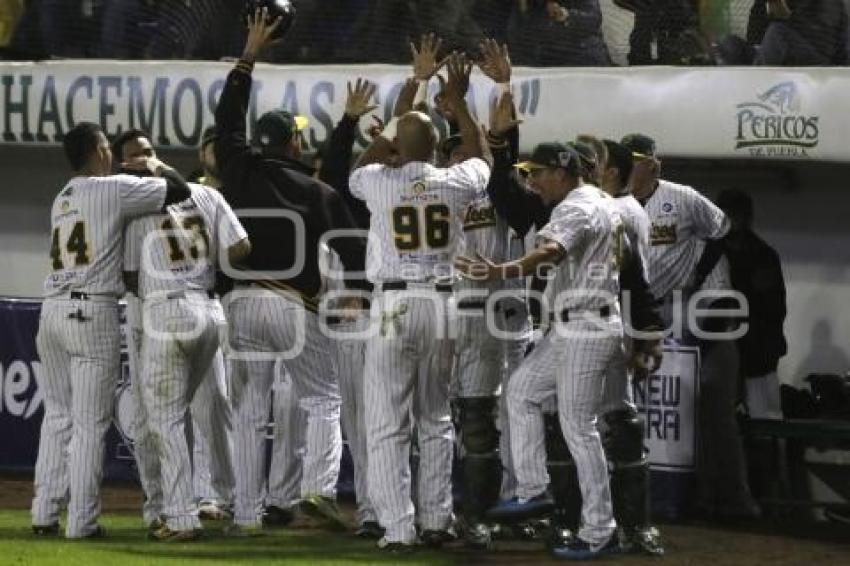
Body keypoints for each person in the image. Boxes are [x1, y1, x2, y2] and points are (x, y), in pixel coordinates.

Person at [214, 8, 369, 532]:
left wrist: (248, 57)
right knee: (323, 397)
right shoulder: (319, 191)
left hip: (240, 304)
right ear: (295, 144)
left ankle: (246, 514)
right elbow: (353, 249)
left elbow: (226, 121)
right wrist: (361, 291)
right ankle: (318, 491)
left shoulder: (237, 172)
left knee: (250, 410)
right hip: (291, 306)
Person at [348, 52, 492, 552]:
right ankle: (436, 519)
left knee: (388, 422)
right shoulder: (454, 182)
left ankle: (398, 527)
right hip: (443, 307)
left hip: (393, 305)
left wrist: (395, 124)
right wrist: (461, 107)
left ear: (397, 144)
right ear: (435, 147)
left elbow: (359, 166)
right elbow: (482, 158)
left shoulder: (379, 181)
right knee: (436, 417)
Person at [456, 140, 623, 560]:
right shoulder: (601, 201)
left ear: (563, 172)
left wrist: (502, 270)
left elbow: (551, 250)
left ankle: (601, 530)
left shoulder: (577, 206)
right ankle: (533, 489)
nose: (532, 181)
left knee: (579, 429)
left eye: (539, 172)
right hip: (576, 322)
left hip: (587, 323)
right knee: (520, 391)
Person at [32, 121, 190, 539]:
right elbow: (180, 191)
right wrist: (151, 164)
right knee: (88, 425)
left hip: (51, 312)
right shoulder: (112, 187)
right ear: (100, 150)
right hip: (91, 312)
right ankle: (81, 522)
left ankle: (44, 512)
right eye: (107, 147)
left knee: (57, 417)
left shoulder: (61, 196)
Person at [113, 128, 242, 536]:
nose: (142, 160)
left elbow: (129, 275)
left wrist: (169, 283)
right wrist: (202, 271)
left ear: (157, 158)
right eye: (135, 155)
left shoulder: (135, 210)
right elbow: (240, 249)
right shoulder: (206, 195)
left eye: (147, 153)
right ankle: (169, 505)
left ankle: (181, 514)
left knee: (166, 418)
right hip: (205, 309)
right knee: (172, 415)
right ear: (121, 162)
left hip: (165, 311)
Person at [623, 133, 759, 520]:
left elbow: (723, 228)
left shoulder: (682, 197)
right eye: (626, 159)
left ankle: (734, 499)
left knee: (714, 410)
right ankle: (662, 496)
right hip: (647, 314)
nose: (632, 166)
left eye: (638, 159)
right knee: (651, 412)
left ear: (654, 163)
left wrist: (697, 272)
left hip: (698, 311)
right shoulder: (618, 204)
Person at [715, 189, 787, 419]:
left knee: (767, 417)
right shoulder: (708, 253)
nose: (732, 218)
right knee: (720, 420)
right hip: (719, 351)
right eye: (727, 213)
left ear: (747, 216)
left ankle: (769, 455)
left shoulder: (763, 255)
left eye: (737, 213)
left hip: (759, 354)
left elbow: (774, 309)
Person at [509, 0, 611, 66]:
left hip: (583, 57)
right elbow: (516, 38)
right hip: (545, 63)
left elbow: (593, 19)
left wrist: (567, 16)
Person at [752, 0, 848, 65]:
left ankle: (757, 87)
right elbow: (754, 36)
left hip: (817, 58)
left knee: (777, 33)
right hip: (779, 48)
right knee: (737, 45)